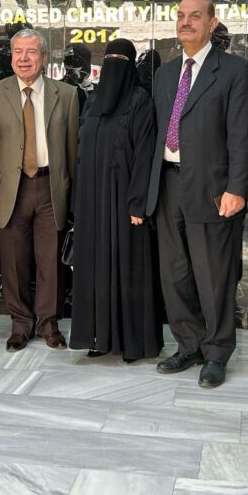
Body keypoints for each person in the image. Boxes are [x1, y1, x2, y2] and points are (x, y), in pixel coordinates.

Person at [146, 0, 248, 388]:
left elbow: (242, 134)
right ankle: (188, 344)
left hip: (213, 189)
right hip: (167, 184)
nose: (185, 22)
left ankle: (217, 352)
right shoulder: (164, 74)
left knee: (213, 276)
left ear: (212, 23)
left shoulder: (234, 70)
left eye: (195, 16)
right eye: (180, 16)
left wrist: (238, 187)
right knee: (175, 274)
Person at [0, 29, 80, 351]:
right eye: (18, 52)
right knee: (14, 262)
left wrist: (68, 186)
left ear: (44, 58)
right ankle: (20, 325)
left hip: (51, 188)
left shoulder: (67, 94)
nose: (23, 59)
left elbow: (72, 148)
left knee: (50, 262)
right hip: (12, 189)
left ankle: (48, 325)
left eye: (31, 52)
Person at [69, 38, 162, 361]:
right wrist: (77, 201)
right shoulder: (92, 101)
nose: (114, 65)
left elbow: (145, 154)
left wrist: (137, 204)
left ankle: (131, 343)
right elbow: (80, 151)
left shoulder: (140, 100)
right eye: (109, 58)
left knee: (127, 269)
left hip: (124, 202)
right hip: (91, 200)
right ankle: (98, 337)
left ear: (131, 65)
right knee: (94, 269)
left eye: (120, 59)